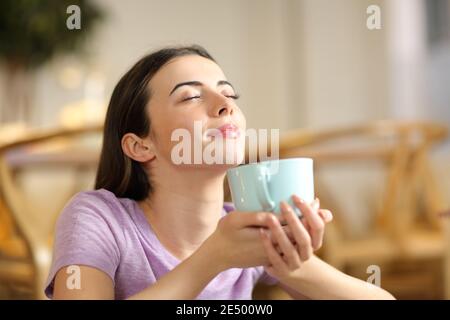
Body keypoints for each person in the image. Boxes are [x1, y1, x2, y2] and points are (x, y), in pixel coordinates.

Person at [45, 45, 395, 300]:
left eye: (229, 94)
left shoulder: (245, 230)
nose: (226, 105)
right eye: (191, 97)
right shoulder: (97, 217)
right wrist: (213, 258)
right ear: (140, 146)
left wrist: (293, 264)